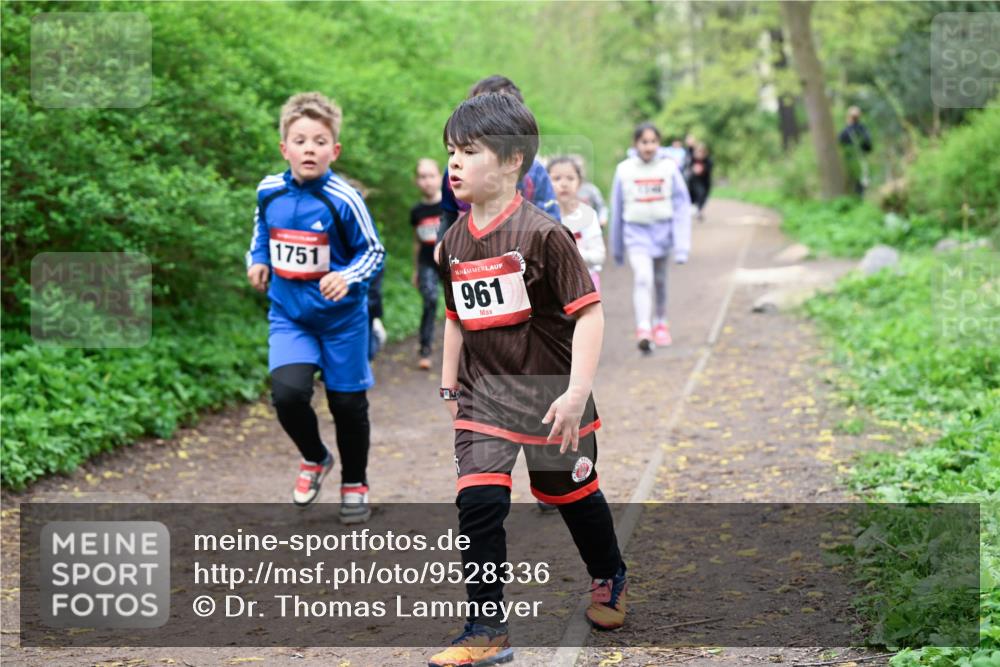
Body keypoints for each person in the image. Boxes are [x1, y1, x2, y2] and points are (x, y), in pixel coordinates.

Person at [430, 92, 627, 667]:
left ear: (513, 160)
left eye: (470, 151)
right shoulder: (452, 242)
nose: (455, 162)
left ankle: (609, 574)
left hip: (550, 396)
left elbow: (589, 314)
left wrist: (576, 393)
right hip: (484, 395)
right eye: (451, 151)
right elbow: (456, 318)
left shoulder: (545, 234)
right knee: (478, 503)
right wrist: (449, 384)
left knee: (569, 495)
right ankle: (485, 630)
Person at [246, 92, 383, 524]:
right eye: (300, 141)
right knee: (287, 394)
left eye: (320, 142)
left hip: (342, 321)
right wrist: (258, 260)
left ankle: (355, 484)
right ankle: (315, 456)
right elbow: (262, 230)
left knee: (347, 405)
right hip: (290, 316)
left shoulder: (344, 199)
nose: (310, 149)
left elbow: (373, 252)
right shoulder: (268, 190)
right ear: (284, 148)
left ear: (334, 151)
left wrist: (348, 276)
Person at [434, 75, 561, 264]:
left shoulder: (534, 173)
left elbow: (551, 219)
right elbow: (448, 213)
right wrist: (441, 245)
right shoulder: (454, 171)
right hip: (467, 261)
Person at [610, 122, 692, 353]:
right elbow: (616, 208)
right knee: (643, 278)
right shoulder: (624, 170)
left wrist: (682, 246)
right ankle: (643, 328)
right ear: (636, 143)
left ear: (659, 143)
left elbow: (682, 206)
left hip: (662, 234)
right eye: (644, 142)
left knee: (660, 280)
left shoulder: (669, 168)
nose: (649, 146)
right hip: (636, 234)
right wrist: (617, 249)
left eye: (653, 141)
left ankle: (661, 322)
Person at [548, 156, 606, 293]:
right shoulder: (541, 217)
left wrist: (572, 253)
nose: (564, 184)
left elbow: (599, 256)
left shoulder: (588, 216)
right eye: (557, 178)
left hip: (585, 284)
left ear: (580, 183)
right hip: (552, 287)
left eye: (570, 178)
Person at [410, 158, 443, 370]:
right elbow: (416, 241)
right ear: (416, 181)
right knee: (430, 300)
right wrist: (416, 270)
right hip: (426, 263)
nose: (427, 181)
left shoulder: (450, 206)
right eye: (422, 177)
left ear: (439, 177)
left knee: (459, 305)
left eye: (431, 176)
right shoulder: (417, 211)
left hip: (449, 262)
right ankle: (425, 349)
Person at [838, 106, 873, 195]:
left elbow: (839, 146)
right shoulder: (863, 129)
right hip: (861, 160)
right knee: (862, 187)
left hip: (849, 163)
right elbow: (869, 146)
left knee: (852, 187)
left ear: (848, 117)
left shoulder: (845, 132)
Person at [572, 154, 609, 228]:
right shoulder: (563, 190)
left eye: (580, 169)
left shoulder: (590, 189)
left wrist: (602, 219)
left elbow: (601, 206)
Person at [686, 143, 713, 221]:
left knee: (703, 196)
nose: (699, 153)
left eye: (701, 152)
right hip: (694, 182)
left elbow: (708, 170)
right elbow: (689, 166)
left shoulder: (708, 160)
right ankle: (695, 210)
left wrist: (702, 169)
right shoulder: (692, 159)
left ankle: (699, 211)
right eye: (698, 151)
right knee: (693, 197)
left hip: (704, 182)